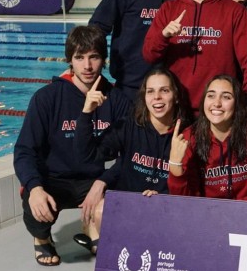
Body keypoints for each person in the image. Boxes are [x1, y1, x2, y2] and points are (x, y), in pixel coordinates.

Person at [13, 26, 130, 266]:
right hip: (55, 180)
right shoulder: (47, 98)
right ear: (70, 61)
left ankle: (91, 225)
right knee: (38, 210)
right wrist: (34, 188)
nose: (87, 66)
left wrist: (104, 181)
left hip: (94, 181)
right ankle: (41, 238)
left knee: (115, 229)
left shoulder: (117, 100)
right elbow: (25, 150)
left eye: (94, 57)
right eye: (79, 57)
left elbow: (129, 153)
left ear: (103, 60)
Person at [72, 67, 186, 253]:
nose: (156, 97)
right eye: (151, 91)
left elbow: (191, 186)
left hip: (168, 208)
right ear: (144, 97)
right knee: (100, 211)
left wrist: (164, 196)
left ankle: (99, 243)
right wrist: (86, 113)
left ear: (176, 96)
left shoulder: (186, 135)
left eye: (164, 91)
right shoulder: (129, 125)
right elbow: (88, 156)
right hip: (131, 206)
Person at [167, 75, 247, 202]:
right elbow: (183, 203)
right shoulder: (189, 137)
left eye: (226, 97)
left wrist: (232, 213)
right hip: (206, 216)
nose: (216, 103)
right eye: (211, 96)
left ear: (237, 104)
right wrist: (175, 166)